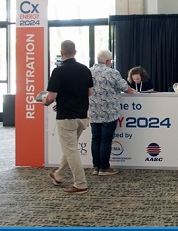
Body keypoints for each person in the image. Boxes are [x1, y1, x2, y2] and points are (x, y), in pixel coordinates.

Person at [44, 40, 93, 194]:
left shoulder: (58, 71)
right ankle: (58, 175)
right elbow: (90, 92)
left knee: (71, 150)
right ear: (75, 52)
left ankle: (80, 184)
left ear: (61, 52)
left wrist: (45, 102)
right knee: (70, 148)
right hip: (82, 116)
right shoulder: (85, 69)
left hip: (66, 117)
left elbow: (51, 97)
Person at [88, 49, 134, 177]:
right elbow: (126, 88)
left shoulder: (89, 72)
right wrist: (133, 91)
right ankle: (104, 168)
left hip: (93, 112)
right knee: (106, 140)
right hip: (109, 113)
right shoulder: (112, 72)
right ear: (108, 61)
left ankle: (95, 167)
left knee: (95, 139)